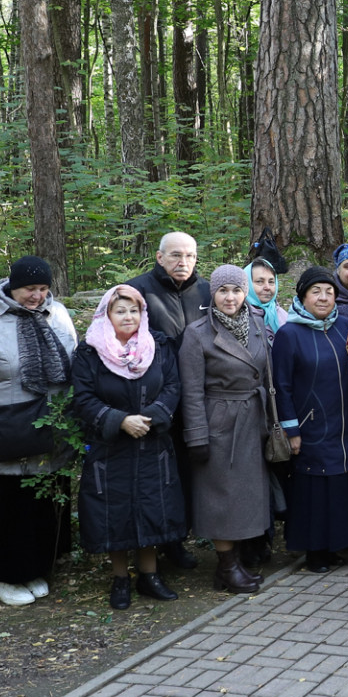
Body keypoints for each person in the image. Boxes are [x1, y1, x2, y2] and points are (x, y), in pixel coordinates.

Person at [0, 255, 77, 607]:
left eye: (42, 288)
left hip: (51, 429)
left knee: (40, 505)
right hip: (4, 430)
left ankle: (34, 569)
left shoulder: (58, 314)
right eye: (28, 289)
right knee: (7, 506)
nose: (36, 296)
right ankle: (1, 576)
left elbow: (76, 363)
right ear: (11, 285)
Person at [70, 285, 184, 610]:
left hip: (152, 442)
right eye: (120, 311)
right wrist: (119, 420)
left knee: (152, 506)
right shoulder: (90, 353)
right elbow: (84, 398)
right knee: (113, 512)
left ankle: (150, 576)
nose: (128, 317)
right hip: (111, 447)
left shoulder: (158, 346)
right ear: (107, 314)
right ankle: (120, 579)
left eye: (134, 310)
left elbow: (173, 385)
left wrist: (150, 418)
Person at [178, 265, 275, 596]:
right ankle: (226, 566)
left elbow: (268, 378)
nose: (230, 297)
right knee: (221, 497)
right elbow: (190, 391)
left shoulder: (259, 324)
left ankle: (239, 561)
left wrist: (274, 422)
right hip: (219, 422)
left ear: (244, 292)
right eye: (223, 291)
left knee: (246, 495)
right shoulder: (197, 333)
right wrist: (197, 436)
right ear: (213, 295)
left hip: (253, 419)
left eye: (236, 290)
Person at [271, 266, 348, 571]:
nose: (324, 297)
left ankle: (340, 544)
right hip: (310, 425)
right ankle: (315, 551)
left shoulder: (345, 327)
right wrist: (291, 428)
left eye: (329, 291)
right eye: (316, 291)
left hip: (345, 423)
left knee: (341, 485)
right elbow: (281, 385)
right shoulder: (290, 334)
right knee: (315, 490)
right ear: (302, 296)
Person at [129, 232, 210, 570]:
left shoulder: (207, 291)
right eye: (176, 255)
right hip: (157, 400)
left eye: (190, 256)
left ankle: (186, 534)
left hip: (202, 397)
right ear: (159, 257)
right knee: (162, 476)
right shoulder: (139, 291)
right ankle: (163, 543)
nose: (183, 262)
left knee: (195, 472)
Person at [245, 256, 291, 333]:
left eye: (271, 282)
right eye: (260, 281)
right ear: (247, 283)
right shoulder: (237, 317)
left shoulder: (284, 318)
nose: (267, 287)